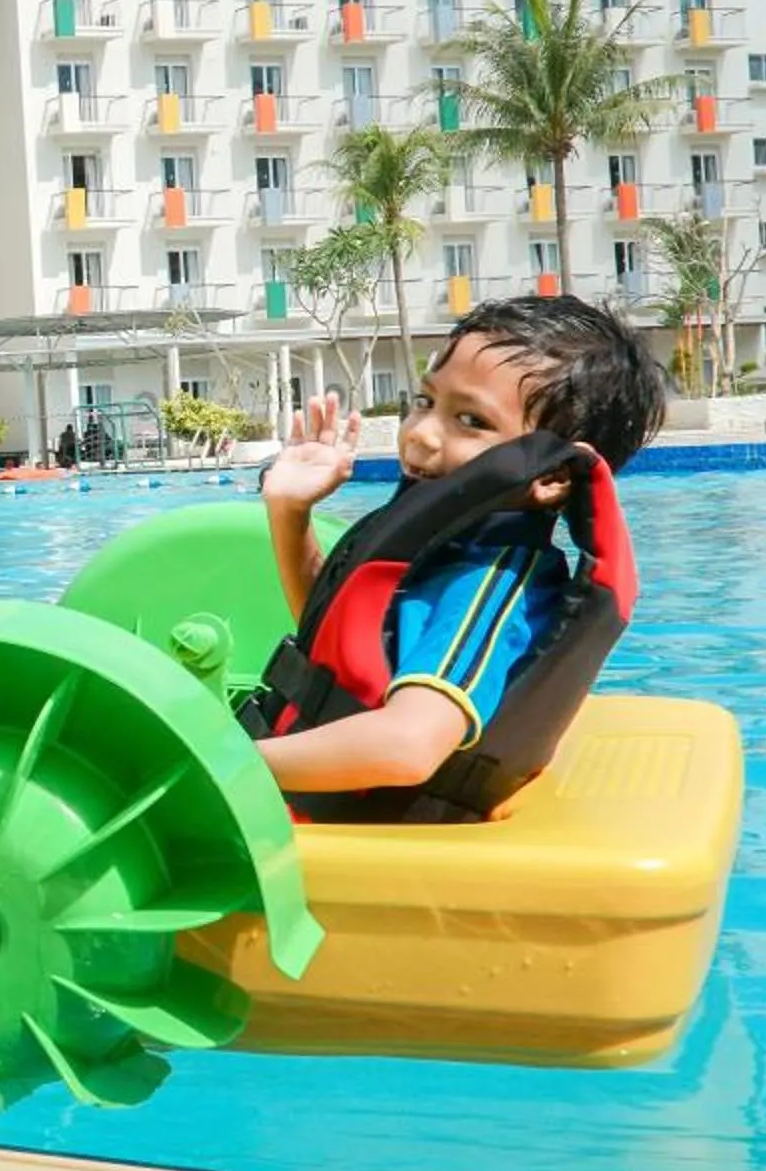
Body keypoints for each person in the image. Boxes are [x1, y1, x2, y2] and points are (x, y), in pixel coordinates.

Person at [240, 295, 662, 823]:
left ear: (551, 475)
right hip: (299, 812)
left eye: (470, 419)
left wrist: (225, 763)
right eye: (424, 400)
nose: (420, 432)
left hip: (348, 839)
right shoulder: (444, 545)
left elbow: (408, 746)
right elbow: (338, 650)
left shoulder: (489, 584)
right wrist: (289, 512)